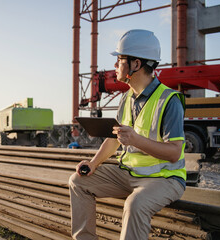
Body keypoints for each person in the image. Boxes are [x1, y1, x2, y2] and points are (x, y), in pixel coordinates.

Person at [69, 29, 186, 240]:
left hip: (164, 179)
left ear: (136, 64)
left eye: (120, 59)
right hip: (129, 173)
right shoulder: (126, 99)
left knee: (135, 204)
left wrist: (135, 140)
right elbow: (114, 139)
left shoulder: (169, 101)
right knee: (78, 182)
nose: (115, 66)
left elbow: (174, 153)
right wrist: (94, 163)